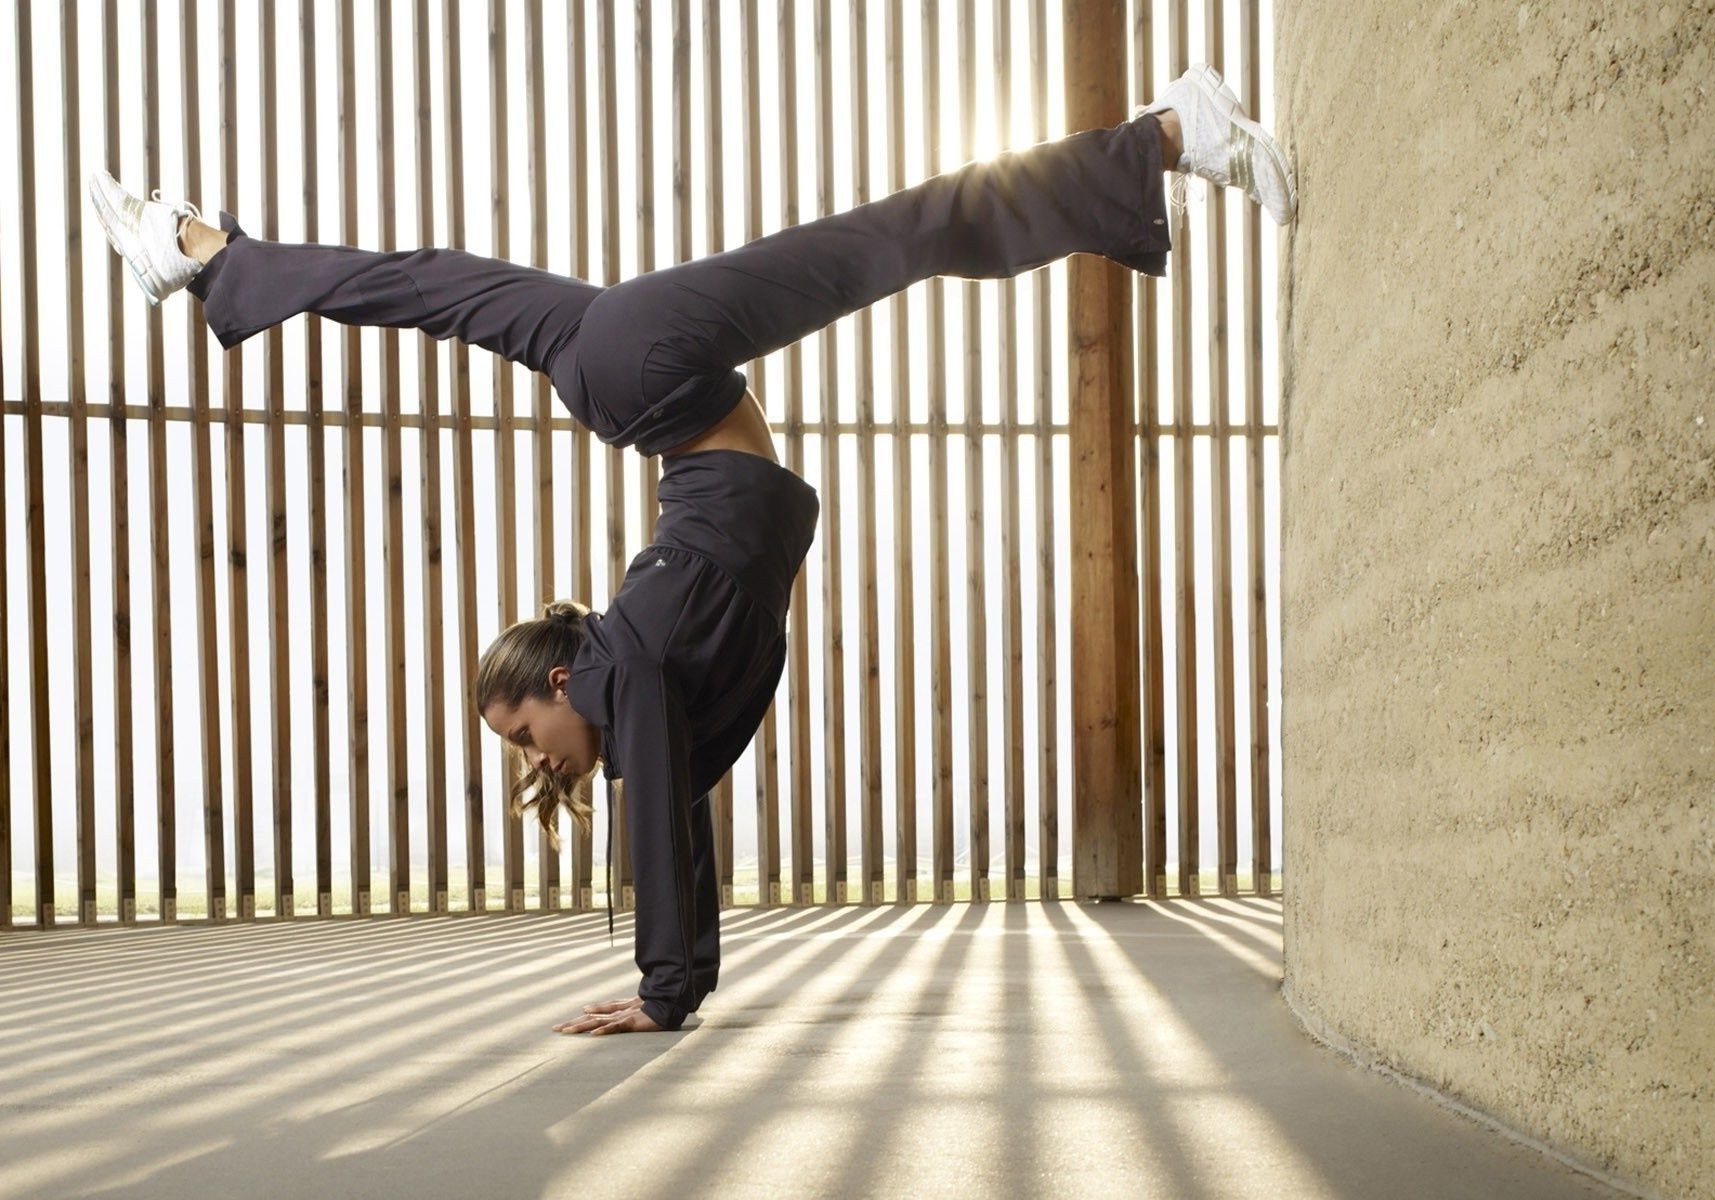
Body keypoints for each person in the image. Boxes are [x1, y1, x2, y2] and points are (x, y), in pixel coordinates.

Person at [90, 62, 1294, 1036]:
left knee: (902, 235)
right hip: (632, 370)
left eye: (523, 732)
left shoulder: (621, 668)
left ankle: (1164, 137)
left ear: (560, 682)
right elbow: (666, 795)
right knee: (439, 290)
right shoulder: (636, 680)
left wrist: (669, 992)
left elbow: (660, 822)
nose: (537, 757)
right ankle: (201, 249)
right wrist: (666, 954)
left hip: (649, 371)